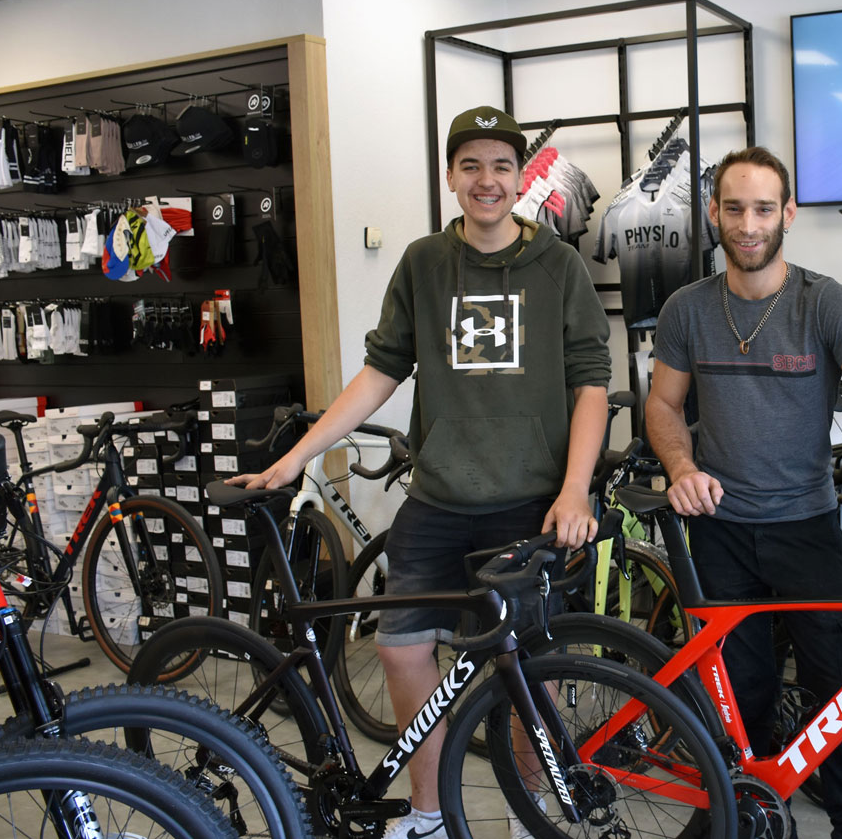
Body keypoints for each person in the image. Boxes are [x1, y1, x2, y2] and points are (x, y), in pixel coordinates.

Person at [232, 105, 612, 839]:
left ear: (521, 177)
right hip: (438, 500)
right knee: (400, 648)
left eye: (502, 166)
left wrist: (573, 489)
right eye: (470, 166)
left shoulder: (558, 265)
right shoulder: (424, 263)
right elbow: (381, 371)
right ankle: (430, 815)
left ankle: (531, 818)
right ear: (450, 177)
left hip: (529, 504)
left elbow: (591, 382)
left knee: (533, 677)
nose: (487, 181)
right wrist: (299, 455)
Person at [645, 145, 842, 839]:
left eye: (764, 209)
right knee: (737, 696)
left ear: (788, 215)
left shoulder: (825, 303)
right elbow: (662, 405)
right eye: (735, 209)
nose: (748, 225)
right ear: (714, 213)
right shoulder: (686, 311)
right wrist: (683, 469)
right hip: (719, 528)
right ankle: (745, 814)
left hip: (806, 526)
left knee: (834, 689)